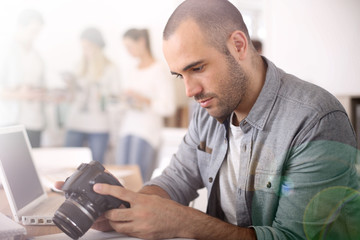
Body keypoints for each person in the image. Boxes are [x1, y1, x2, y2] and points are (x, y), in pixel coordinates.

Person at [57, 0, 359, 239]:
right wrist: (124, 209)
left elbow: (293, 238)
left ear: (239, 45)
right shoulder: (209, 108)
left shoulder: (315, 118)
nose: (190, 91)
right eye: (180, 75)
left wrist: (185, 222)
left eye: (197, 68)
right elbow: (176, 179)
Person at [116, 28, 175, 181]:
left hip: (146, 132)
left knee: (138, 182)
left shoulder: (159, 69)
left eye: (130, 46)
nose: (128, 51)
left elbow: (168, 107)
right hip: (127, 129)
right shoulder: (132, 70)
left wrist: (144, 100)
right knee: (121, 179)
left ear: (142, 42)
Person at [64, 27, 120, 164]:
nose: (85, 51)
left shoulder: (111, 68)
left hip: (99, 126)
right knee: (68, 164)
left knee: (95, 166)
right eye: (82, 47)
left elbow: (116, 100)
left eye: (88, 46)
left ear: (97, 46)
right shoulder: (78, 66)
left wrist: (104, 97)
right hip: (76, 122)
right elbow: (71, 98)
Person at [0, 9, 46, 147]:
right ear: (20, 27)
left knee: (35, 164)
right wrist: (21, 94)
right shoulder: (5, 52)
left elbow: (40, 86)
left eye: (38, 32)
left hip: (34, 122)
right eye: (32, 31)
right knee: (14, 166)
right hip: (12, 123)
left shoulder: (38, 57)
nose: (35, 36)